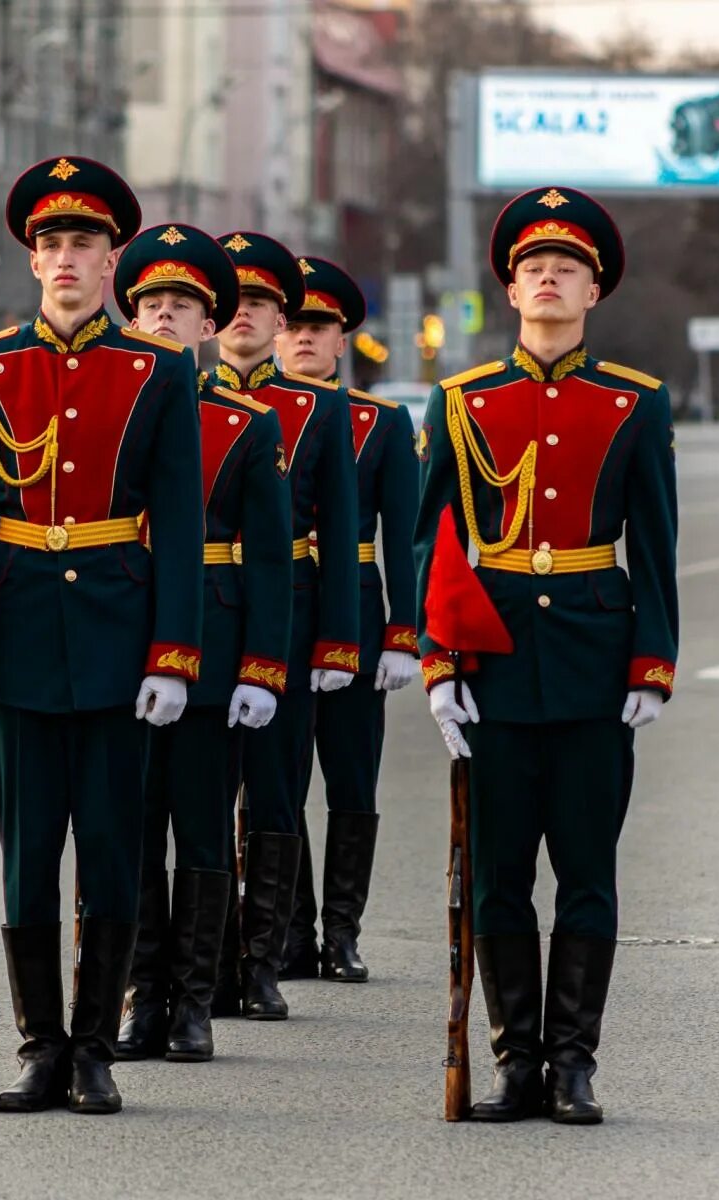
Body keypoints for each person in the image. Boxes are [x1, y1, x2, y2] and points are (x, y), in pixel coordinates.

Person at [0, 156, 205, 1116]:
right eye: (50, 244)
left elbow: (178, 522)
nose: (65, 259)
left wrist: (175, 653)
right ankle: (38, 1047)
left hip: (121, 640)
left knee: (114, 855)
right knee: (27, 854)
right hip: (15, 639)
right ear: (32, 260)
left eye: (83, 242)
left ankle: (95, 1049)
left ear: (111, 255)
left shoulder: (160, 370)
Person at [415, 185, 678, 1124]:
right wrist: (439, 664)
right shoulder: (460, 403)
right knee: (495, 877)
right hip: (491, 665)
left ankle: (573, 1063)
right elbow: (432, 546)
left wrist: (652, 664)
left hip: (595, 666)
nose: (549, 280)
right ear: (510, 290)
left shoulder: (635, 404)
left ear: (593, 290)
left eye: (567, 267)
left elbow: (654, 547)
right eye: (534, 268)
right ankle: (512, 1062)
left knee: (586, 874)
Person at [107, 223, 294, 1063]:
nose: (163, 320)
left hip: (213, 651)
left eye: (181, 308)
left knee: (204, 826)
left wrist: (261, 667)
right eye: (150, 305)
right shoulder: (104, 405)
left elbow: (272, 557)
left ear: (210, 326)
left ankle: (194, 1000)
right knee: (131, 828)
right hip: (118, 638)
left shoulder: (248, 423)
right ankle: (142, 996)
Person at [212, 230, 361, 1020]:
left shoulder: (318, 409)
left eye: (262, 304)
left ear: (280, 320)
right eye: (232, 301)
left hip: (289, 624)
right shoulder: (174, 394)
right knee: (199, 803)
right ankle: (201, 963)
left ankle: (261, 962)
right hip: (199, 620)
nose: (245, 315)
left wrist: (339, 641)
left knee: (275, 795)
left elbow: (341, 534)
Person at [275, 255, 420, 983]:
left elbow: (407, 534)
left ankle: (342, 931)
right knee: (278, 780)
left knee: (352, 780)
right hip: (277, 615)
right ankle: (290, 931)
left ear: (343, 342)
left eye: (319, 327)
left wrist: (403, 633)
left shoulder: (383, 423)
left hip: (357, 615)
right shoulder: (249, 415)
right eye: (294, 324)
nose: (305, 338)